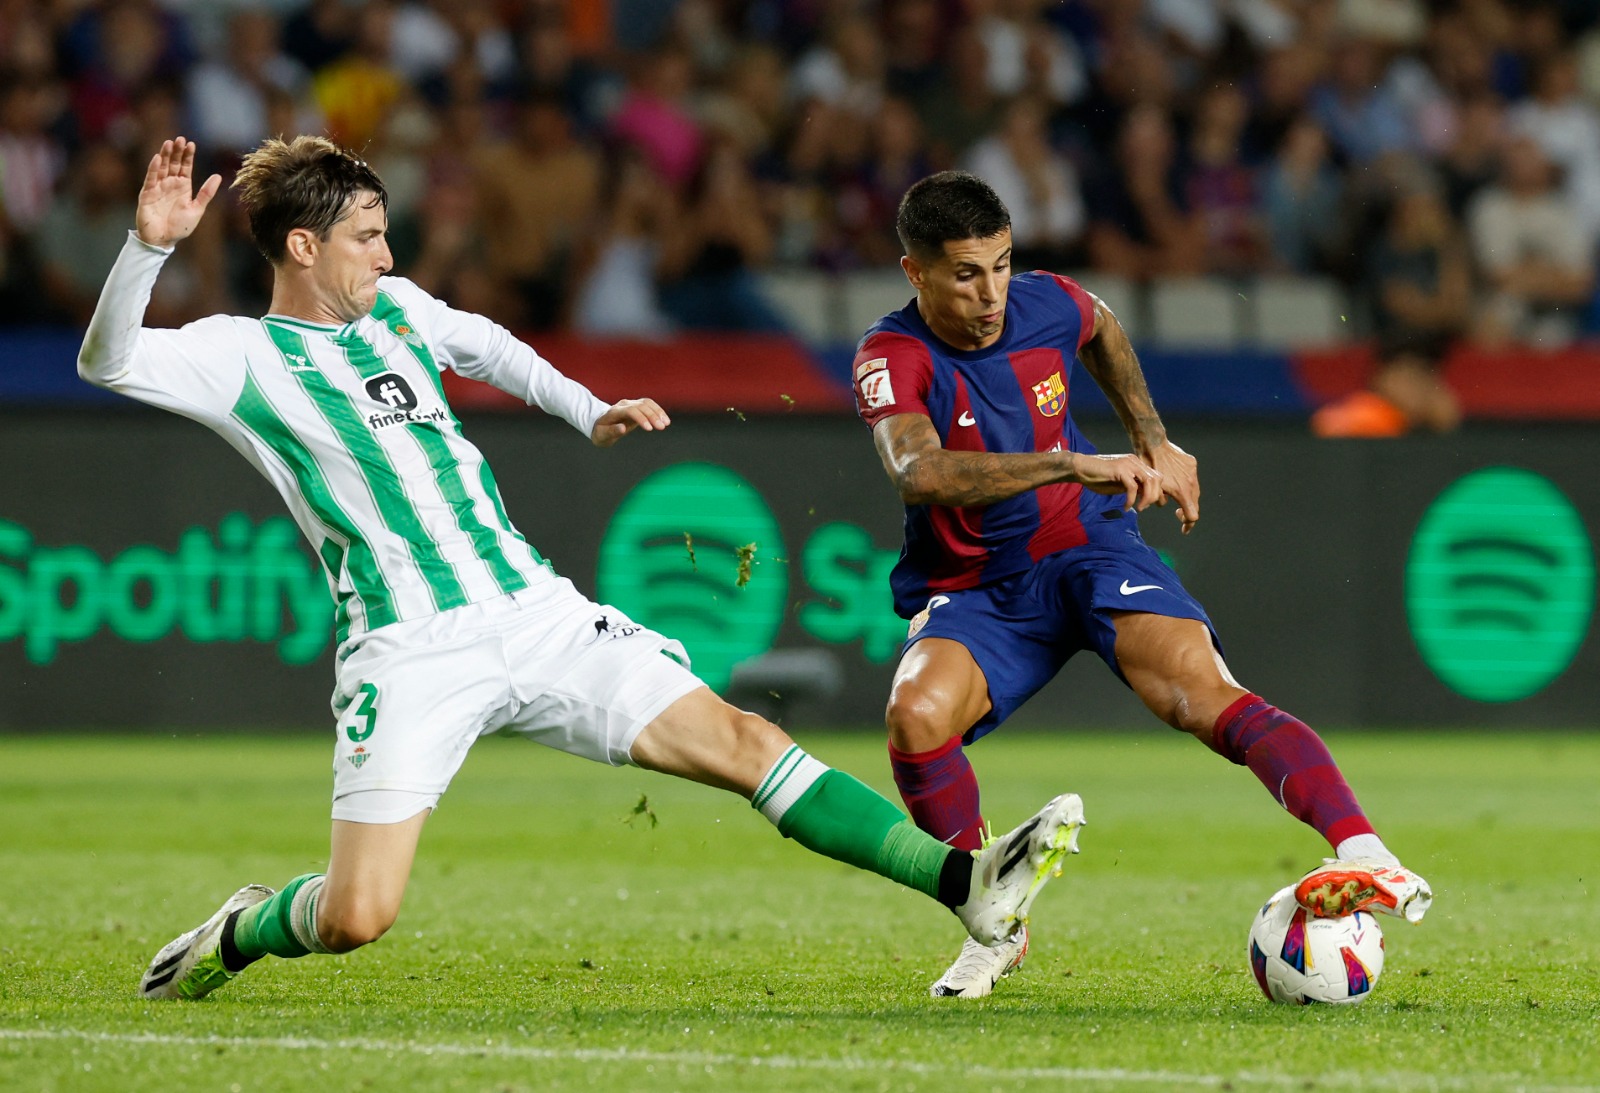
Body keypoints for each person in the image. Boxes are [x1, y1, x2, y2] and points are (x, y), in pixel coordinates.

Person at [81, 137, 1083, 1002]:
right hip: (410, 648)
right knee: (355, 916)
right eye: (366, 236)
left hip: (534, 612)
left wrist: (584, 405)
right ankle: (241, 930)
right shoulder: (242, 355)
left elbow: (490, 347)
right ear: (303, 247)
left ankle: (964, 882)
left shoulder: (396, 308)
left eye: (386, 232)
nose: (388, 253)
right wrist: (149, 248)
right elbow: (109, 362)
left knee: (743, 740)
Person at [852, 171, 1432, 1000]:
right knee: (913, 716)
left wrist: (1152, 437)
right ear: (916, 273)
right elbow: (920, 469)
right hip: (979, 585)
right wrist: (1071, 461)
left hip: (1087, 546)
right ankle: (995, 921)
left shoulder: (1046, 302)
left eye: (1002, 265)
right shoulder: (890, 354)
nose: (990, 294)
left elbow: (1103, 325)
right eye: (964, 273)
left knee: (1201, 691)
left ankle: (1365, 853)